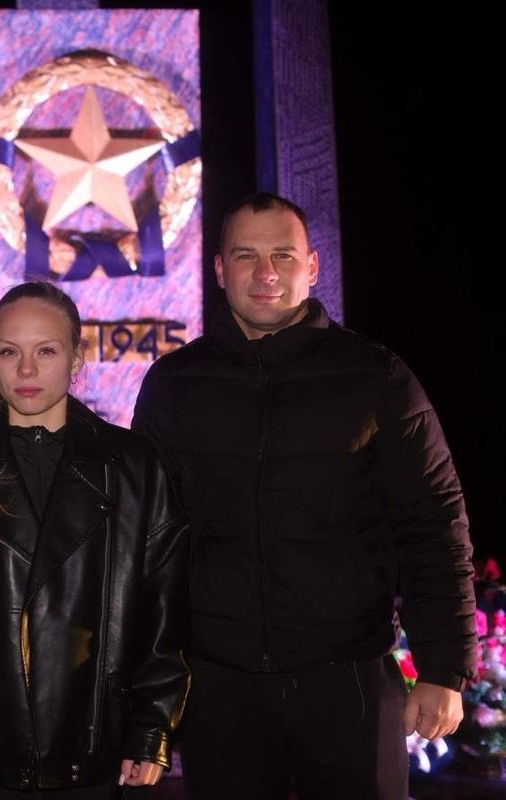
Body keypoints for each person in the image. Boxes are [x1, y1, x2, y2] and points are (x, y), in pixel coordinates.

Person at [132, 192, 477, 799]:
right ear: (220, 270)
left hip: (349, 683)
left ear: (311, 267)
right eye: (246, 256)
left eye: (283, 256)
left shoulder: (377, 377)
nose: (265, 273)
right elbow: (145, 541)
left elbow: (434, 526)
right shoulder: (174, 383)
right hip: (220, 690)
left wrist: (444, 668)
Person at [0, 282, 189, 798]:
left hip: (98, 750)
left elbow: (164, 612)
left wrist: (152, 729)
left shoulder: (135, 469)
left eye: (47, 351)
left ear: (76, 356)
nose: (27, 370)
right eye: (10, 352)